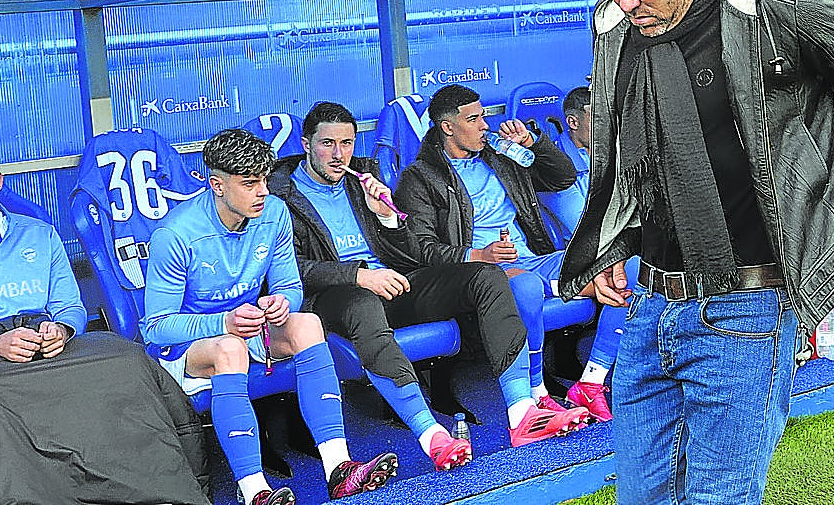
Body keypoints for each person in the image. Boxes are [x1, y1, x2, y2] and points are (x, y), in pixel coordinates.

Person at [559, 0, 834, 504]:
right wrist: (613, 240)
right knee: (642, 498)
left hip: (749, 309)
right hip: (650, 307)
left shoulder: (776, 3)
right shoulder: (618, 25)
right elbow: (635, 150)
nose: (622, 1)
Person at [0, 137, 210, 505]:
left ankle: (161, 494)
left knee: (129, 361)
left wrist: (61, 330)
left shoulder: (39, 234)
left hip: (44, 348)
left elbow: (70, 307)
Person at [271, 102, 580, 462]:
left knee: (487, 275)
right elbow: (292, 269)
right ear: (307, 145)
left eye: (348, 143)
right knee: (363, 303)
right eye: (328, 144)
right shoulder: (282, 197)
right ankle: (431, 435)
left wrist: (387, 218)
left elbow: (409, 256)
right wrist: (358, 275)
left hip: (394, 283)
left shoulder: (363, 181)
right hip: (337, 295)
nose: (339, 154)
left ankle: (522, 412)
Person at [142, 128, 400, 505]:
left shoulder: (275, 213)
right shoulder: (175, 235)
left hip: (247, 330)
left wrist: (282, 303)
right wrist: (223, 323)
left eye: (264, 179)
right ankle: (255, 492)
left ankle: (339, 468)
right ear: (217, 185)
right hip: (186, 349)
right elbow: (155, 328)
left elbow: (290, 287)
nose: (262, 190)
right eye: (249, 183)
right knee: (228, 349)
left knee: (307, 324)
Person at [395, 84, 631, 425]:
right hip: (483, 273)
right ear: (448, 127)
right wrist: (480, 254)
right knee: (527, 287)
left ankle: (591, 381)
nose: (484, 126)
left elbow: (562, 177)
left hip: (533, 257)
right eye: (473, 120)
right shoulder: (419, 178)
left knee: (625, 269)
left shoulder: (499, 154)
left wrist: (534, 143)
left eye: (483, 117)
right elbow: (422, 250)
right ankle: (538, 394)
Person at [540, 86, 591, 243]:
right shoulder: (553, 169)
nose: (608, 128)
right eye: (599, 121)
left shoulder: (612, 151)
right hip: (590, 253)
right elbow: (585, 228)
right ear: (573, 122)